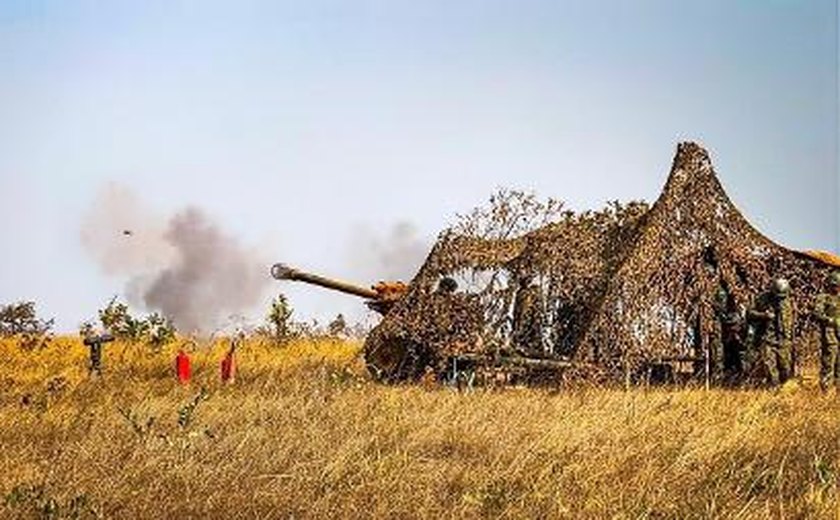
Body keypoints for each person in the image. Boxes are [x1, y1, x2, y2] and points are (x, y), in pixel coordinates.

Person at [747, 278, 796, 387]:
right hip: (768, 337)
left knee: (785, 367)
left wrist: (791, 340)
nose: (780, 299)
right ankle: (774, 388)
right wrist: (763, 315)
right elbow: (749, 313)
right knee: (769, 366)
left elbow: (792, 322)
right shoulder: (762, 298)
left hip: (784, 339)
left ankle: (784, 386)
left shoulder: (790, 300)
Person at [813, 271, 840, 391]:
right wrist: (830, 320)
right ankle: (826, 391)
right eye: (836, 285)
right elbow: (817, 314)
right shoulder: (823, 297)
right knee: (829, 362)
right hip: (830, 335)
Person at [512, 274, 543, 354]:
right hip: (522, 316)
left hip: (528, 316)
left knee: (530, 331)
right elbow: (517, 306)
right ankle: (522, 347)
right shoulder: (521, 292)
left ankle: (529, 348)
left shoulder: (531, 292)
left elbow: (535, 306)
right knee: (521, 330)